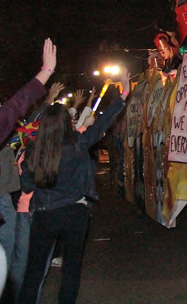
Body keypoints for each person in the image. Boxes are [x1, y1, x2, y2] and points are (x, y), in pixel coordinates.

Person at [18, 68, 130, 304]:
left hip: (44, 214)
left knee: (35, 268)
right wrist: (122, 96)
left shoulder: (32, 150)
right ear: (65, 125)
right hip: (74, 213)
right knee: (71, 266)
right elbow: (101, 125)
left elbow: (27, 185)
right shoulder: (77, 144)